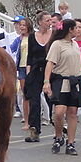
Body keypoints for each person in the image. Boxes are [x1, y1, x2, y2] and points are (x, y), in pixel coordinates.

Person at [44, 19, 81, 156]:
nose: (78, 30)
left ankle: (71, 143)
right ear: (69, 30)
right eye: (75, 28)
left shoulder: (75, 44)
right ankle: (59, 136)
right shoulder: (57, 45)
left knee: (72, 113)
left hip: (75, 82)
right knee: (59, 112)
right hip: (61, 81)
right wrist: (46, 81)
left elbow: (79, 65)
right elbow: (50, 64)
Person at [24, 12, 53, 142]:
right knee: (34, 101)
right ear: (40, 22)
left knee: (52, 99)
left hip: (50, 71)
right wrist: (28, 73)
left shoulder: (54, 35)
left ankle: (58, 128)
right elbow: (30, 56)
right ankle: (34, 130)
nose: (49, 22)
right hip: (36, 70)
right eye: (47, 20)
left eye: (50, 20)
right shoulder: (32, 36)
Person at [7, 16, 31, 122]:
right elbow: (11, 49)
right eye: (20, 25)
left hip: (31, 67)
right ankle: (26, 119)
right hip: (21, 67)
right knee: (24, 93)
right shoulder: (18, 39)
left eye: (23, 25)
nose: (21, 27)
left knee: (36, 95)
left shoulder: (33, 37)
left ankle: (44, 115)